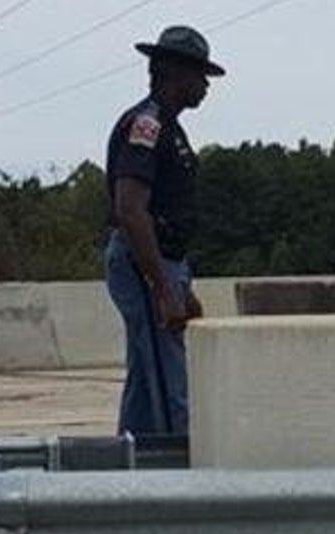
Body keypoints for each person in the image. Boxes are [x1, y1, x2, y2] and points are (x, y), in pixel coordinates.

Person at [104, 26, 224, 436]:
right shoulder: (147, 125)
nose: (205, 84)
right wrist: (162, 288)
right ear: (173, 71)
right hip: (143, 263)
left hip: (164, 260)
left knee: (146, 378)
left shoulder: (170, 128)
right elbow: (130, 209)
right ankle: (174, 459)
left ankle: (133, 457)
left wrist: (180, 283)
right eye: (199, 74)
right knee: (168, 380)